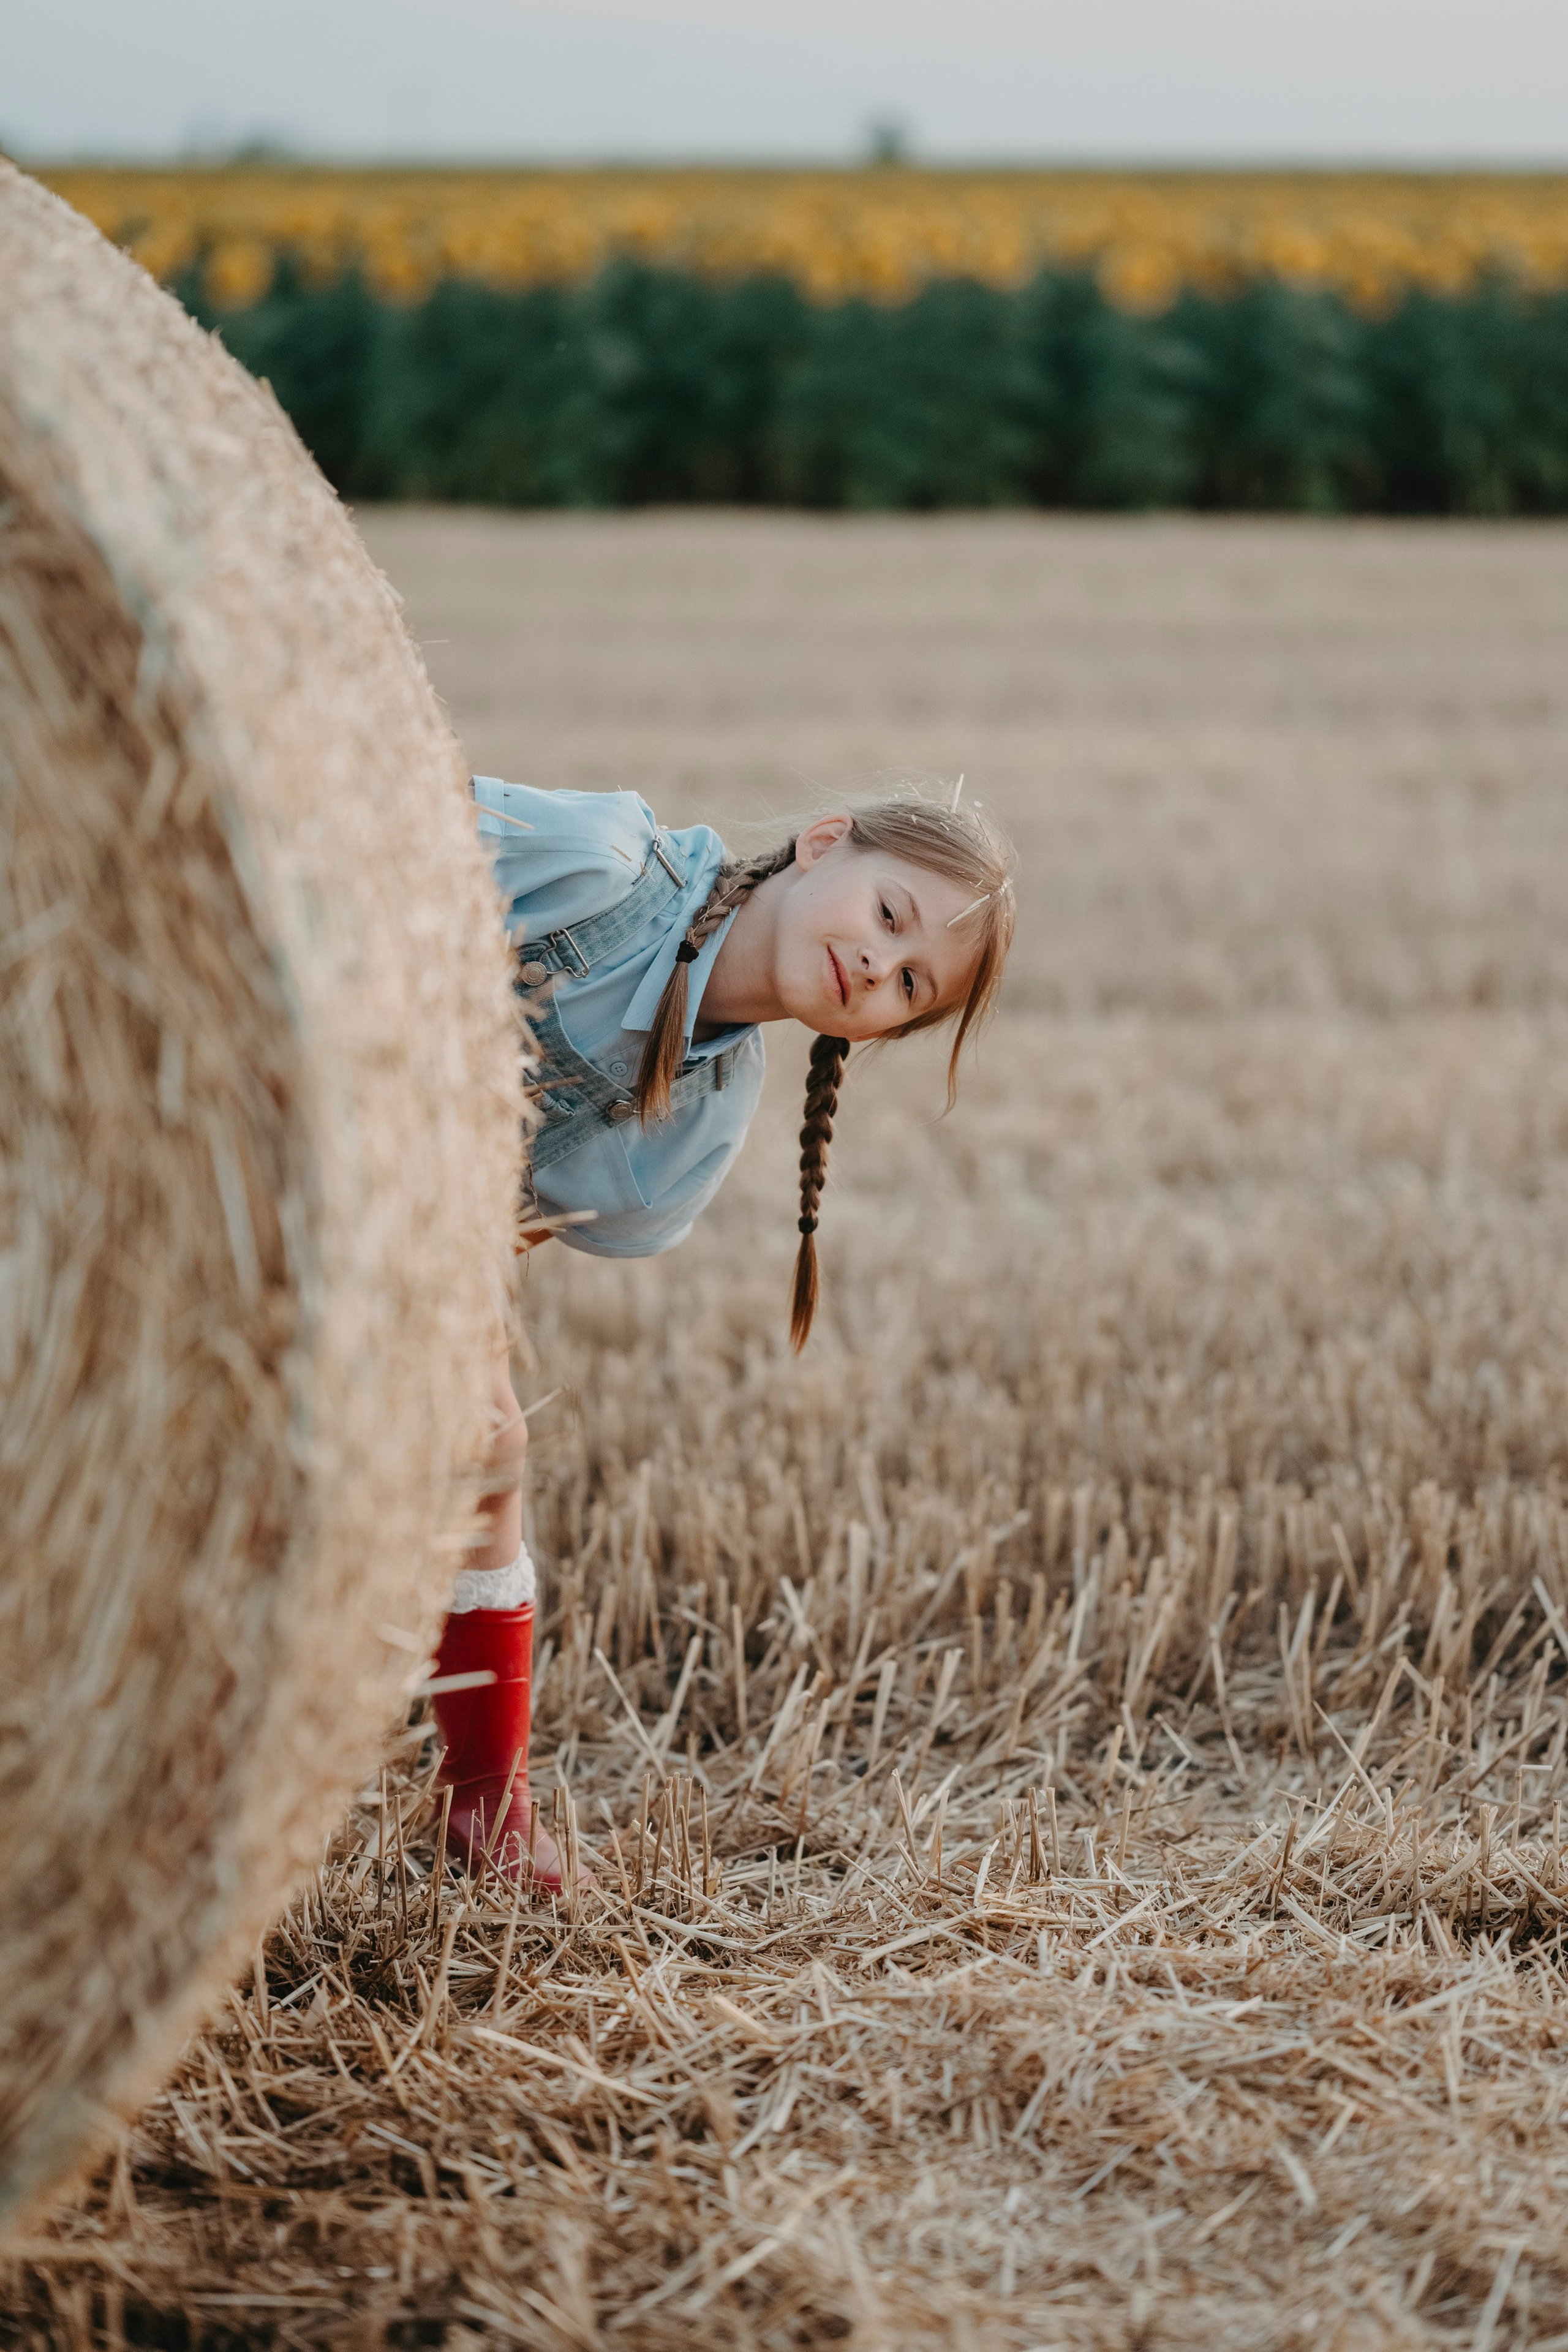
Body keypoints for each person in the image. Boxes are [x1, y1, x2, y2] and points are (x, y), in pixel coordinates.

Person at [431, 779, 1016, 1891]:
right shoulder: (599, 863)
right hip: (275, 1077)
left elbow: (504, 1225)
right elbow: (371, 818)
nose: (878, 969)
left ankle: (483, 1802)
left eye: (909, 988)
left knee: (489, 1446)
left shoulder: (698, 1128)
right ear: (825, 841)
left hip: (390, 1222)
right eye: (890, 918)